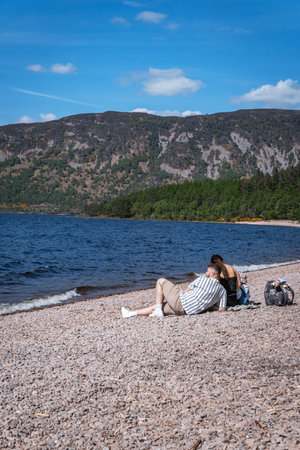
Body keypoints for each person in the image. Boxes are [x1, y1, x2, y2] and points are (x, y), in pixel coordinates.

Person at [121, 263, 227, 319]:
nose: (206, 273)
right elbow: (222, 309)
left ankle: (157, 310)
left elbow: (186, 290)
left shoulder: (203, 278)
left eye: (208, 272)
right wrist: (209, 305)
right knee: (161, 306)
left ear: (213, 274)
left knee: (160, 281)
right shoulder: (222, 291)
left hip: (181, 302)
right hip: (186, 312)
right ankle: (131, 314)